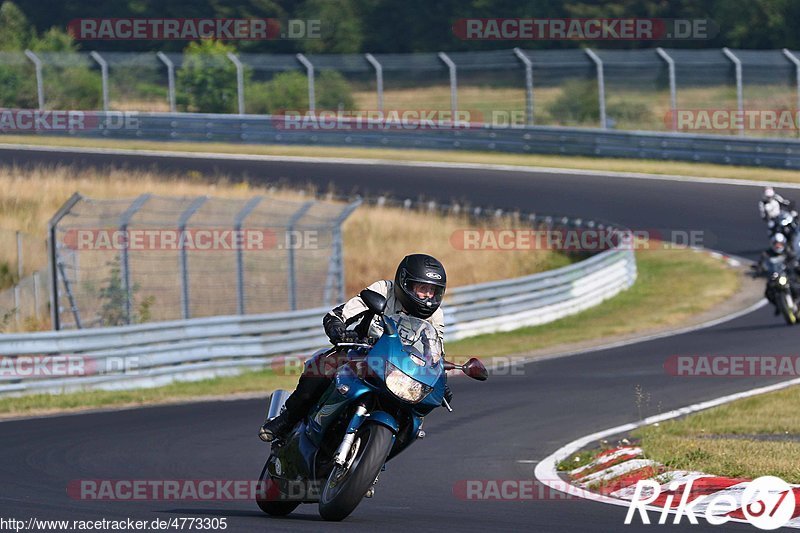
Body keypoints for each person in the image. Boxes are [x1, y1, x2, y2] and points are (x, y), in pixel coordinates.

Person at [259, 253, 451, 442]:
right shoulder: (383, 290)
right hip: (362, 352)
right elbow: (338, 315)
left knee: (416, 409)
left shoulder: (436, 316)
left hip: (400, 368)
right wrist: (338, 330)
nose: (428, 296)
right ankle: (287, 420)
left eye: (433, 291)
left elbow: (435, 353)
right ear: (406, 284)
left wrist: (441, 380)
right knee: (322, 368)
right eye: (422, 288)